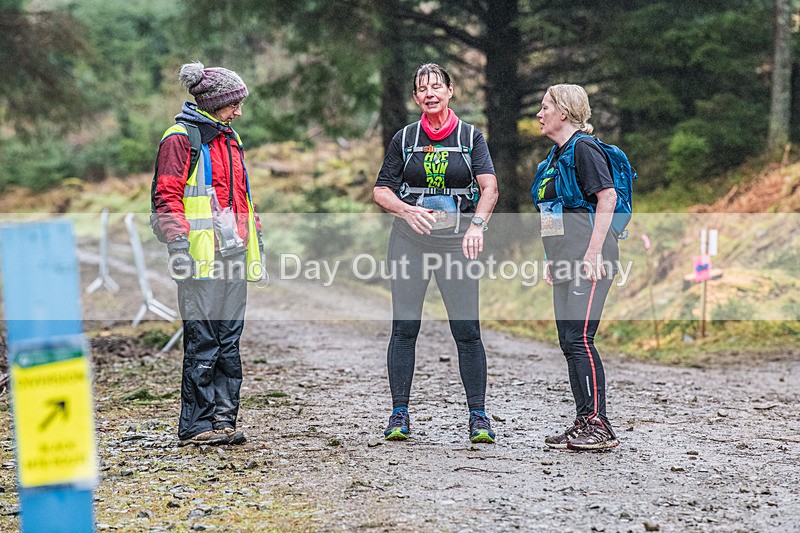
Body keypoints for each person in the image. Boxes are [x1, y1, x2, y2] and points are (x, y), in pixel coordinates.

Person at [373, 63, 499, 444]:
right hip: (409, 241)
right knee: (405, 327)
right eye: (422, 89)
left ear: (450, 91)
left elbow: (490, 188)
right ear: (415, 98)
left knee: (466, 330)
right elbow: (381, 190)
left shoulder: (470, 136)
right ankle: (399, 414)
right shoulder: (405, 138)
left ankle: (478, 417)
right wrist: (406, 209)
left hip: (456, 242)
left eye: (436, 87)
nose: (430, 93)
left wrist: (477, 226)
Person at [152, 62, 265, 447]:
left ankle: (224, 422)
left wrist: (256, 239)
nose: (238, 111)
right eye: (234, 104)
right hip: (200, 259)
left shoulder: (229, 138)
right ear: (216, 102)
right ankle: (196, 427)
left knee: (229, 341)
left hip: (233, 256)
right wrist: (178, 246)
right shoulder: (181, 138)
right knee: (203, 340)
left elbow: (241, 199)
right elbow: (166, 197)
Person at [531, 84, 620, 450]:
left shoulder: (584, 148)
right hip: (565, 259)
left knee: (581, 338)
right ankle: (584, 420)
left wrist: (594, 251)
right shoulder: (555, 156)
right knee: (569, 341)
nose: (539, 114)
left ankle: (599, 425)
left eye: (545, 107)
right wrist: (552, 259)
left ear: (564, 113)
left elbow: (608, 196)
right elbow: (553, 214)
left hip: (590, 257)